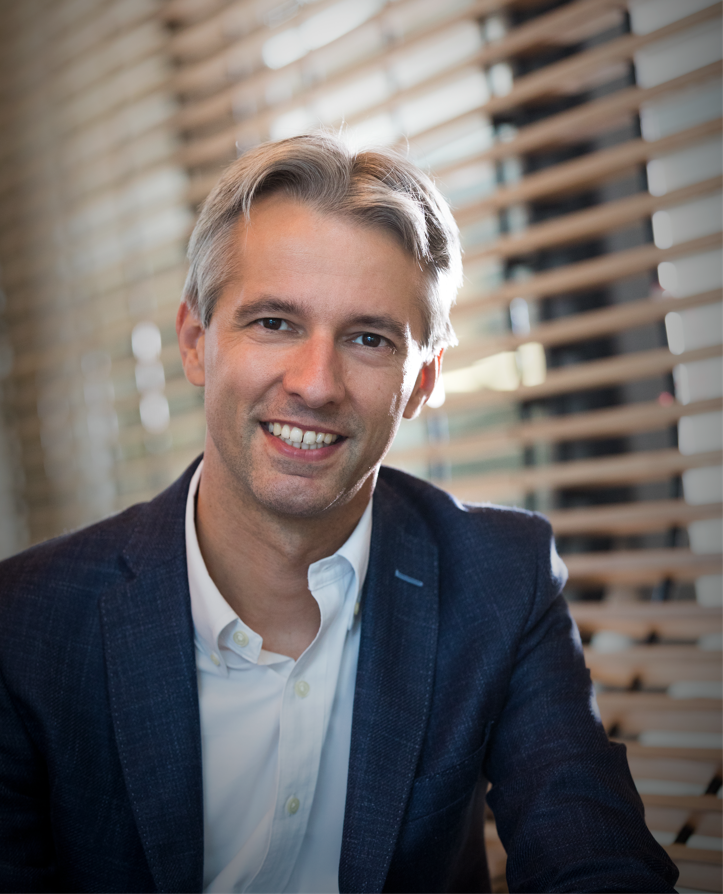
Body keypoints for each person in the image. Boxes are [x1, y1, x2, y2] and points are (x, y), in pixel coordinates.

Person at [0, 132, 677, 894]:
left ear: (422, 383)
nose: (316, 384)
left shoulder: (500, 578)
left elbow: (591, 854)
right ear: (196, 343)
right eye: (274, 324)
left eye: (367, 338)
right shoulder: (23, 626)